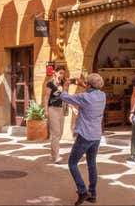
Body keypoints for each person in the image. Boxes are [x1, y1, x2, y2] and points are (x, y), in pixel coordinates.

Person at [60, 73, 106, 206]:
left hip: (85, 135)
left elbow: (64, 97)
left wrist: (66, 86)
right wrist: (83, 84)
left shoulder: (84, 97)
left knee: (72, 163)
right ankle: (93, 194)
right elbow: (91, 90)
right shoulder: (102, 95)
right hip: (96, 135)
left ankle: (82, 191)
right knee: (91, 163)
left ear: (89, 85)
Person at [44, 66, 67, 163]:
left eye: (63, 73)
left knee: (59, 133)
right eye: (60, 73)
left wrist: (66, 107)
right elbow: (46, 98)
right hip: (52, 109)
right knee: (56, 133)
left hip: (61, 109)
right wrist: (46, 111)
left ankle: (52, 154)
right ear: (56, 73)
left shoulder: (63, 83)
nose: (62, 75)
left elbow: (65, 96)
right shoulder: (50, 84)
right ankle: (56, 156)